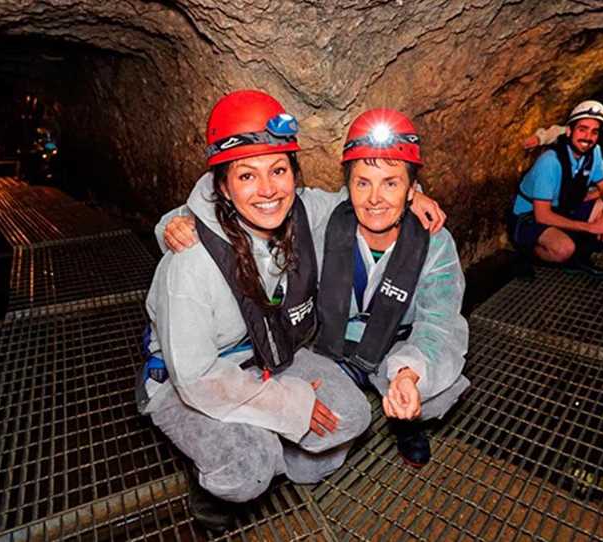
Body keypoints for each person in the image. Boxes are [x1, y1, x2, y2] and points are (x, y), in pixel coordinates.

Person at [139, 90, 446, 531]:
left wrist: (414, 197)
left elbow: (367, 197)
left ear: (293, 175)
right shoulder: (191, 261)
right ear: (222, 185)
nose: (268, 190)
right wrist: (289, 405)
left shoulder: (303, 211)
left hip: (272, 354)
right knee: (248, 467)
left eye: (278, 170)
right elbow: (198, 378)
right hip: (195, 380)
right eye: (247, 175)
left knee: (353, 417)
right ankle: (219, 490)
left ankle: (267, 454)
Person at [312, 109, 469, 467]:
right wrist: (181, 222)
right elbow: (259, 200)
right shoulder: (326, 217)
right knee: (312, 458)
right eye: (363, 182)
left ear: (412, 189)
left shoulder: (435, 241)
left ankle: (405, 420)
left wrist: (408, 373)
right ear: (347, 185)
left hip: (394, 346)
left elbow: (439, 321)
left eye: (391, 183)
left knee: (438, 392)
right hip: (331, 344)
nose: (374, 198)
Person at [509, 100, 603, 277]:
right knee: (564, 249)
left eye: (594, 132)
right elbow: (542, 215)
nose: (588, 137)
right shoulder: (550, 162)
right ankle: (529, 253)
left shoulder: (593, 152)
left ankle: (580, 255)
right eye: (582, 129)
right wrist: (590, 227)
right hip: (530, 216)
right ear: (569, 131)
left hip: (564, 208)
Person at [523, 89, 603, 207]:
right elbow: (563, 131)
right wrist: (541, 138)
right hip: (584, 184)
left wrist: (601, 190)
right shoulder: (597, 130)